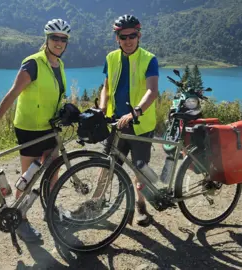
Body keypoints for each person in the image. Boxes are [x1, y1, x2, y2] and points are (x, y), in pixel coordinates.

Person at [0, 18, 71, 242]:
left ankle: (51, 208)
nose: (58, 42)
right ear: (46, 39)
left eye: (63, 39)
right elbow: (14, 92)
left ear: (67, 43)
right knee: (28, 178)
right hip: (30, 128)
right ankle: (21, 221)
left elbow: (56, 94)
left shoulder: (60, 64)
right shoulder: (33, 63)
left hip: (50, 127)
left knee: (53, 172)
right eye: (54, 38)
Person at [99, 14, 159, 227]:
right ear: (117, 38)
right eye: (123, 36)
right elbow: (106, 87)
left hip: (140, 125)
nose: (128, 40)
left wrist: (135, 112)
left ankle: (141, 209)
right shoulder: (111, 58)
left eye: (132, 35)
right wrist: (102, 108)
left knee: (139, 169)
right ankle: (96, 204)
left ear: (139, 35)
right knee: (106, 165)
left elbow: (152, 91)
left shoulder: (149, 59)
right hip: (117, 123)